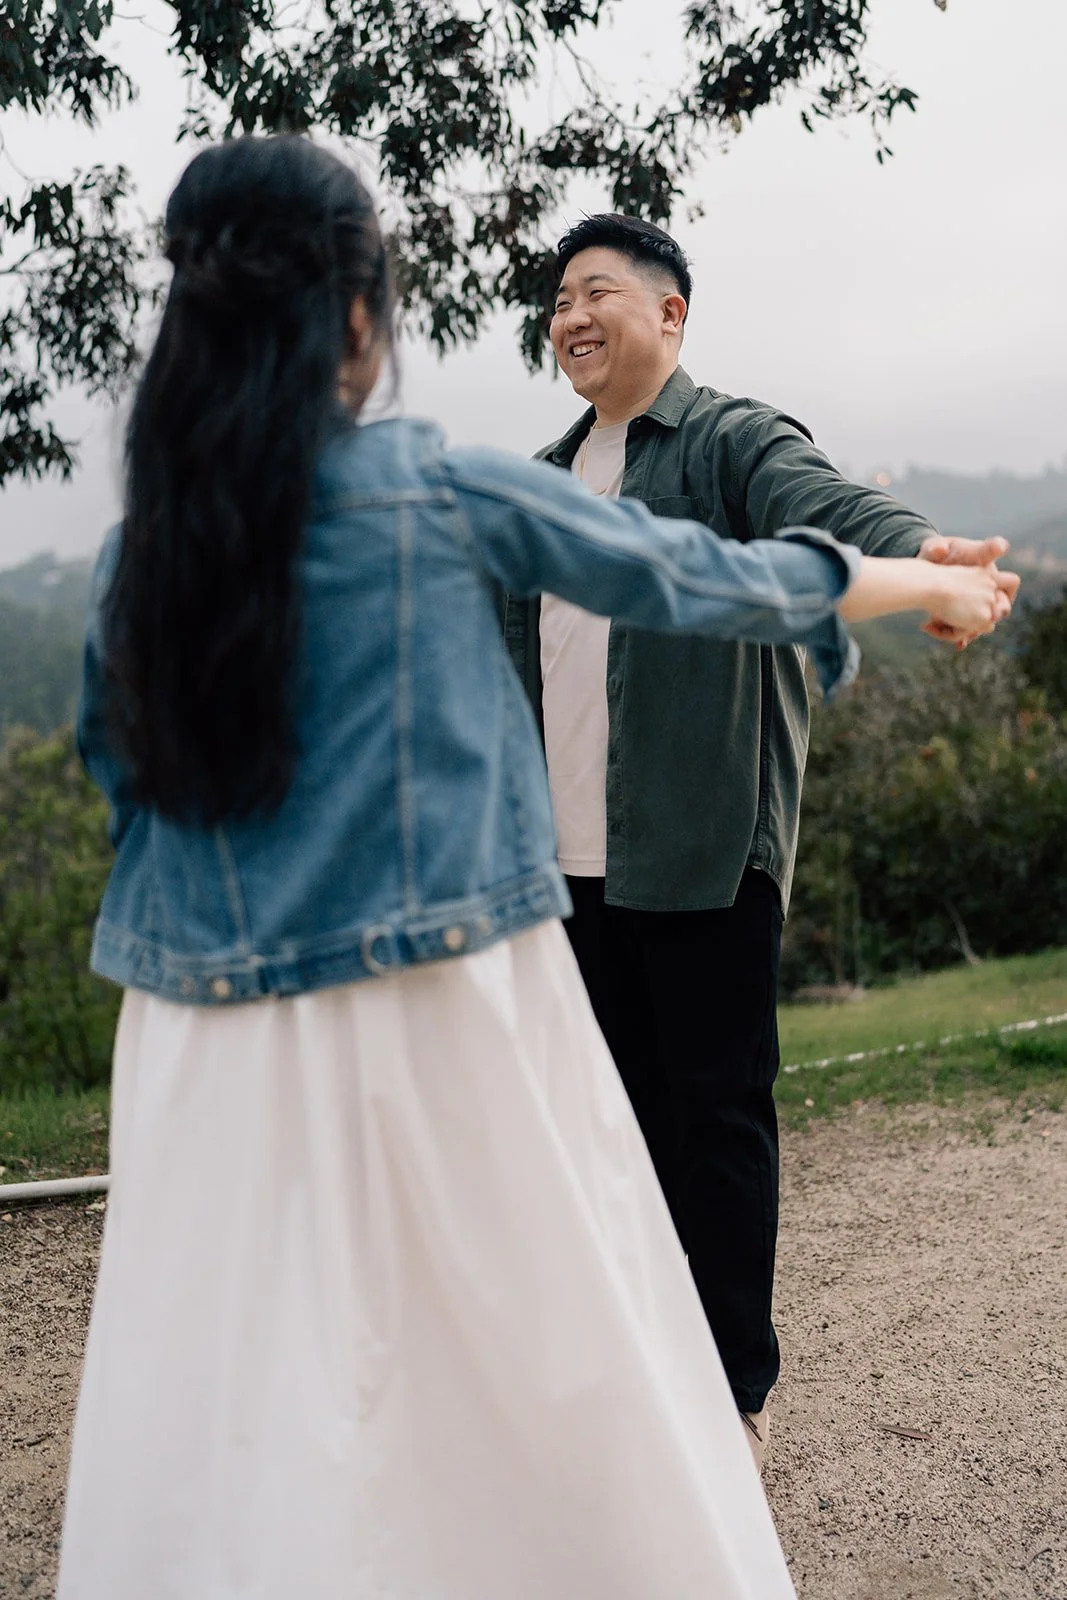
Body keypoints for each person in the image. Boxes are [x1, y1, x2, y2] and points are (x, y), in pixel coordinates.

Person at [59, 138, 1009, 1600]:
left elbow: (117, 764)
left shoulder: (141, 552)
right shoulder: (453, 489)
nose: (570, 316)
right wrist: (930, 586)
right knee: (534, 1339)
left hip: (196, 1037)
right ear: (359, 316)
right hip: (451, 992)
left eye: (596, 290)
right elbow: (711, 580)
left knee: (242, 1371)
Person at [499, 213, 1020, 1468]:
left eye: (599, 293)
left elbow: (822, 507)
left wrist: (926, 557)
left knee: (713, 1121)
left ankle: (732, 1403)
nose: (571, 316)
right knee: (604, 1134)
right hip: (561, 870)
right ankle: (633, 1380)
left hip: (700, 846)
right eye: (559, 299)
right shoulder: (540, 475)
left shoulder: (730, 440)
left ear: (669, 315)